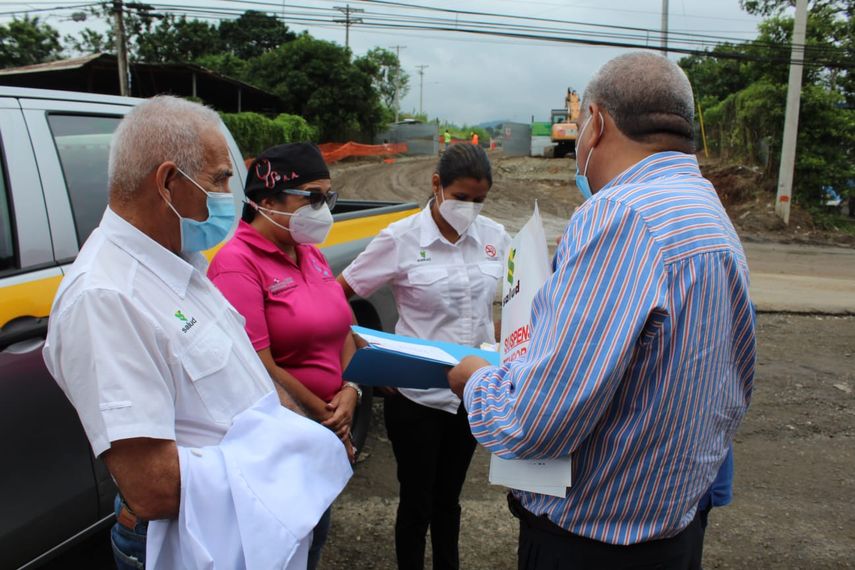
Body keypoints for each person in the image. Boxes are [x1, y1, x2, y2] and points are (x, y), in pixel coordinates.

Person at [448, 52, 756, 569]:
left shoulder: (620, 216)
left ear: (597, 123)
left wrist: (477, 380)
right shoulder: (707, 210)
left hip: (593, 545)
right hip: (674, 530)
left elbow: (537, 422)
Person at [42, 96, 346, 570]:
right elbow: (153, 488)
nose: (231, 195)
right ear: (167, 182)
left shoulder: (179, 260)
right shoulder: (105, 296)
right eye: (221, 179)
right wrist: (297, 455)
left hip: (254, 519)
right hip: (201, 541)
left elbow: (246, 381)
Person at [337, 143, 510, 570]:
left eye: (479, 200)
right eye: (461, 197)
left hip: (470, 397)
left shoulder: (495, 238)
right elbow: (338, 296)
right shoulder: (400, 239)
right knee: (416, 502)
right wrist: (371, 358)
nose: (469, 208)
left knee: (449, 501)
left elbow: (514, 304)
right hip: (414, 397)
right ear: (437, 185)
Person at [208, 143, 359, 570]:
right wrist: (328, 418)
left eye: (328, 198)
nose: (323, 210)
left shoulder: (309, 252)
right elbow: (258, 364)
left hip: (321, 437)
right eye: (312, 197)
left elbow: (342, 328)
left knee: (313, 539)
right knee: (281, 547)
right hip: (281, 441)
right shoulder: (236, 264)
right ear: (267, 200)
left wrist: (351, 391)